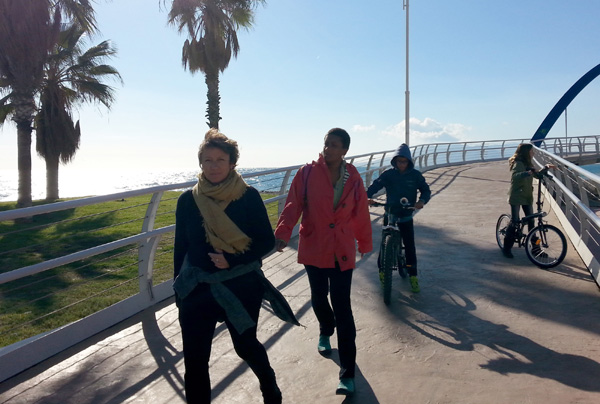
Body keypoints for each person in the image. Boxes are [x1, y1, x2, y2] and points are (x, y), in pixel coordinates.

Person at [173, 129, 299, 404]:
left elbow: (266, 240)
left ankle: (269, 387)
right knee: (195, 359)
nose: (214, 166)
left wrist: (233, 260)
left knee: (245, 346)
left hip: (241, 285)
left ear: (232, 163)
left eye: (220, 159)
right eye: (208, 160)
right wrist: (178, 291)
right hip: (197, 287)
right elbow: (181, 246)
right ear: (200, 163)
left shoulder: (248, 196)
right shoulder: (188, 200)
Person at [274, 128, 372, 396]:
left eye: (334, 145)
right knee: (318, 297)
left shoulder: (353, 177)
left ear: (345, 150)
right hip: (314, 245)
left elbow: (360, 212)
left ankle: (347, 373)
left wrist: (364, 242)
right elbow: (293, 204)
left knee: (343, 306)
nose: (328, 148)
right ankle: (325, 328)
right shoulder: (307, 173)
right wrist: (283, 233)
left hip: (341, 249)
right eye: (326, 143)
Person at [366, 143, 431, 293]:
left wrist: (421, 201)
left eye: (404, 161)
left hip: (406, 214)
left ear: (409, 161)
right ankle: (383, 272)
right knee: (384, 244)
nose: (401, 164)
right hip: (390, 213)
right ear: (394, 161)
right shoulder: (388, 174)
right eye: (399, 161)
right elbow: (375, 186)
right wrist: (366, 197)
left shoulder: (415, 175)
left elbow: (425, 190)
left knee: (409, 246)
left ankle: (413, 275)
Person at [502, 143, 555, 258]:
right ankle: (506, 248)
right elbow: (515, 176)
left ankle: (536, 249)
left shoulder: (528, 163)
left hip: (526, 196)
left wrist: (546, 168)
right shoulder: (518, 163)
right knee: (515, 221)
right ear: (526, 152)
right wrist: (526, 173)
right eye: (532, 151)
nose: (533, 153)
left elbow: (537, 175)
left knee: (531, 222)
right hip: (516, 196)